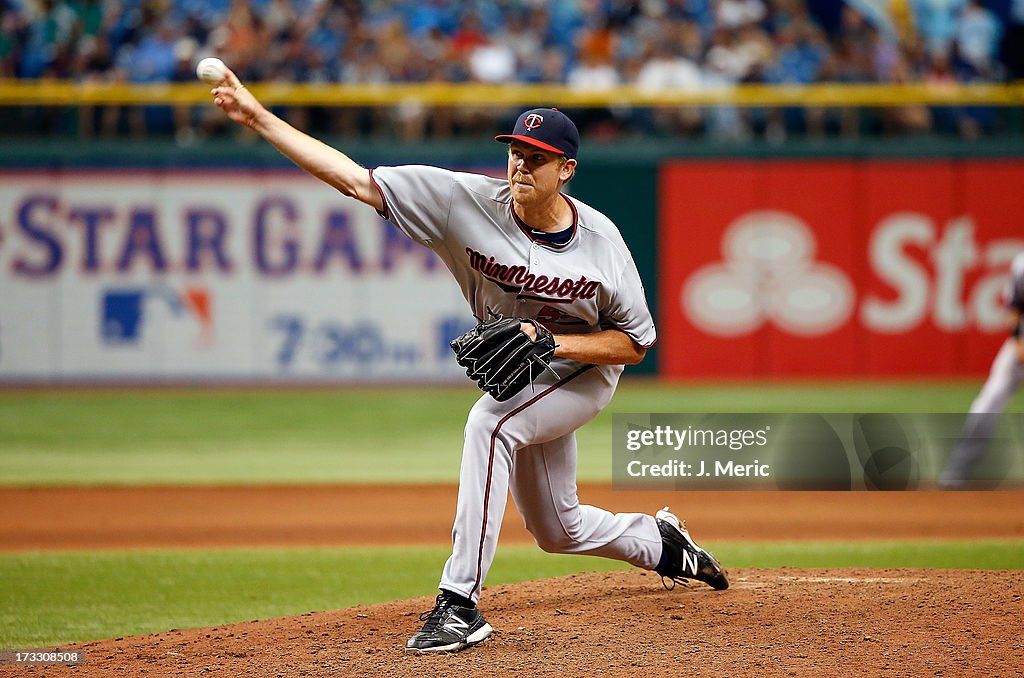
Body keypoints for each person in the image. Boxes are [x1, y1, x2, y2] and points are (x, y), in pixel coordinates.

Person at [208, 69, 728, 654]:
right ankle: (660, 542)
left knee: (491, 422)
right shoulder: (466, 203)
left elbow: (634, 344)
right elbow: (354, 180)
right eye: (516, 152)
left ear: (567, 170)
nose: (521, 166)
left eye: (538, 157)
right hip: (525, 369)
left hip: (581, 371)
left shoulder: (602, 245)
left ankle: (458, 604)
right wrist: (258, 117)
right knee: (559, 530)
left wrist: (551, 342)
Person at [939, 251, 1024, 489]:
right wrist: (1018, 341)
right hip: (1019, 349)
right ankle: (957, 470)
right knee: (988, 402)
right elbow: (1015, 307)